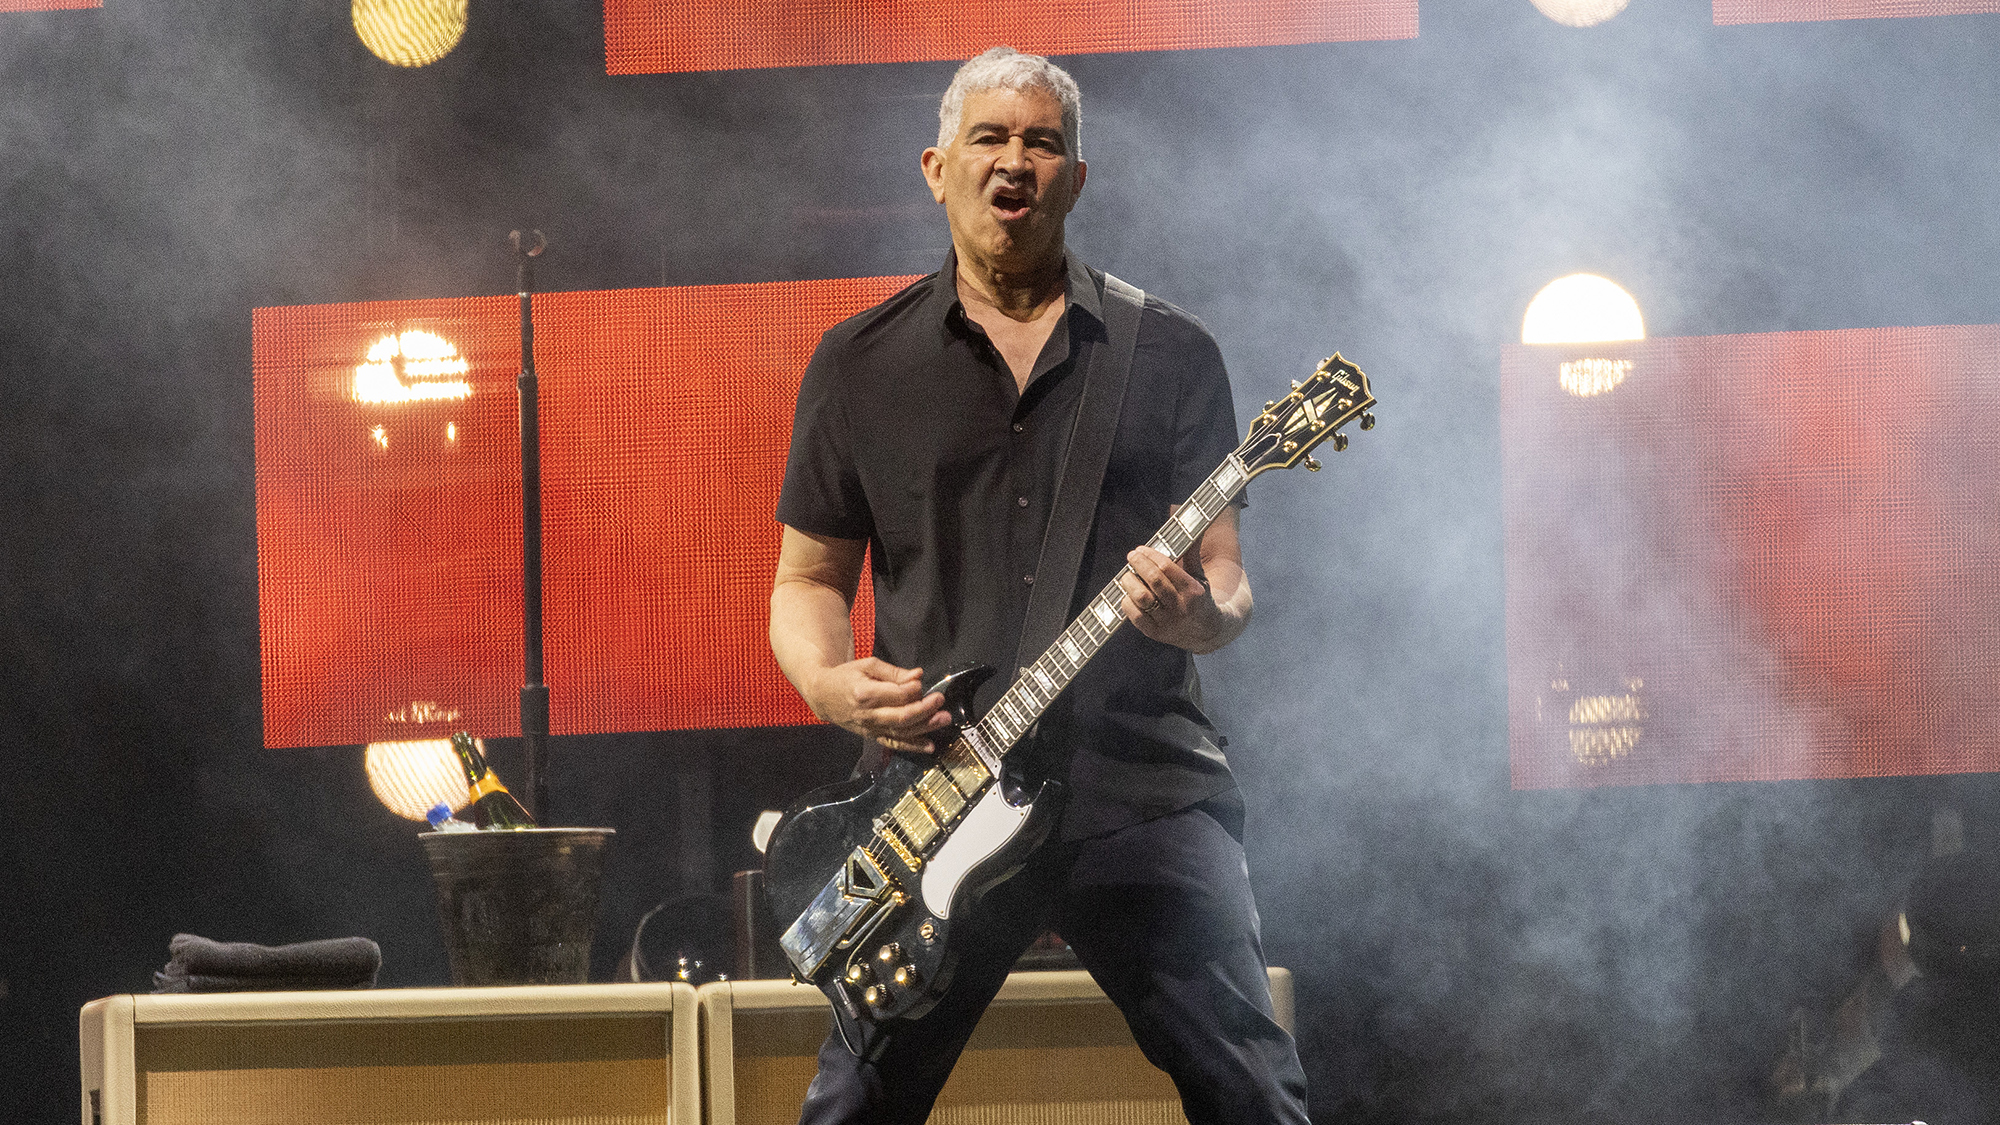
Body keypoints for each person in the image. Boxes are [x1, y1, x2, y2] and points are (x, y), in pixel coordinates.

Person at [768, 45, 1311, 1125]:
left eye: (1041, 142)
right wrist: (828, 687)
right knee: (853, 1108)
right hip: (941, 788)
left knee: (1250, 1090)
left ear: (1074, 178)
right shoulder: (856, 364)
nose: (1014, 160)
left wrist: (1199, 620)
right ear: (936, 168)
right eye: (988, 137)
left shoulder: (1168, 355)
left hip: (1138, 788)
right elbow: (806, 581)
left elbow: (1230, 590)